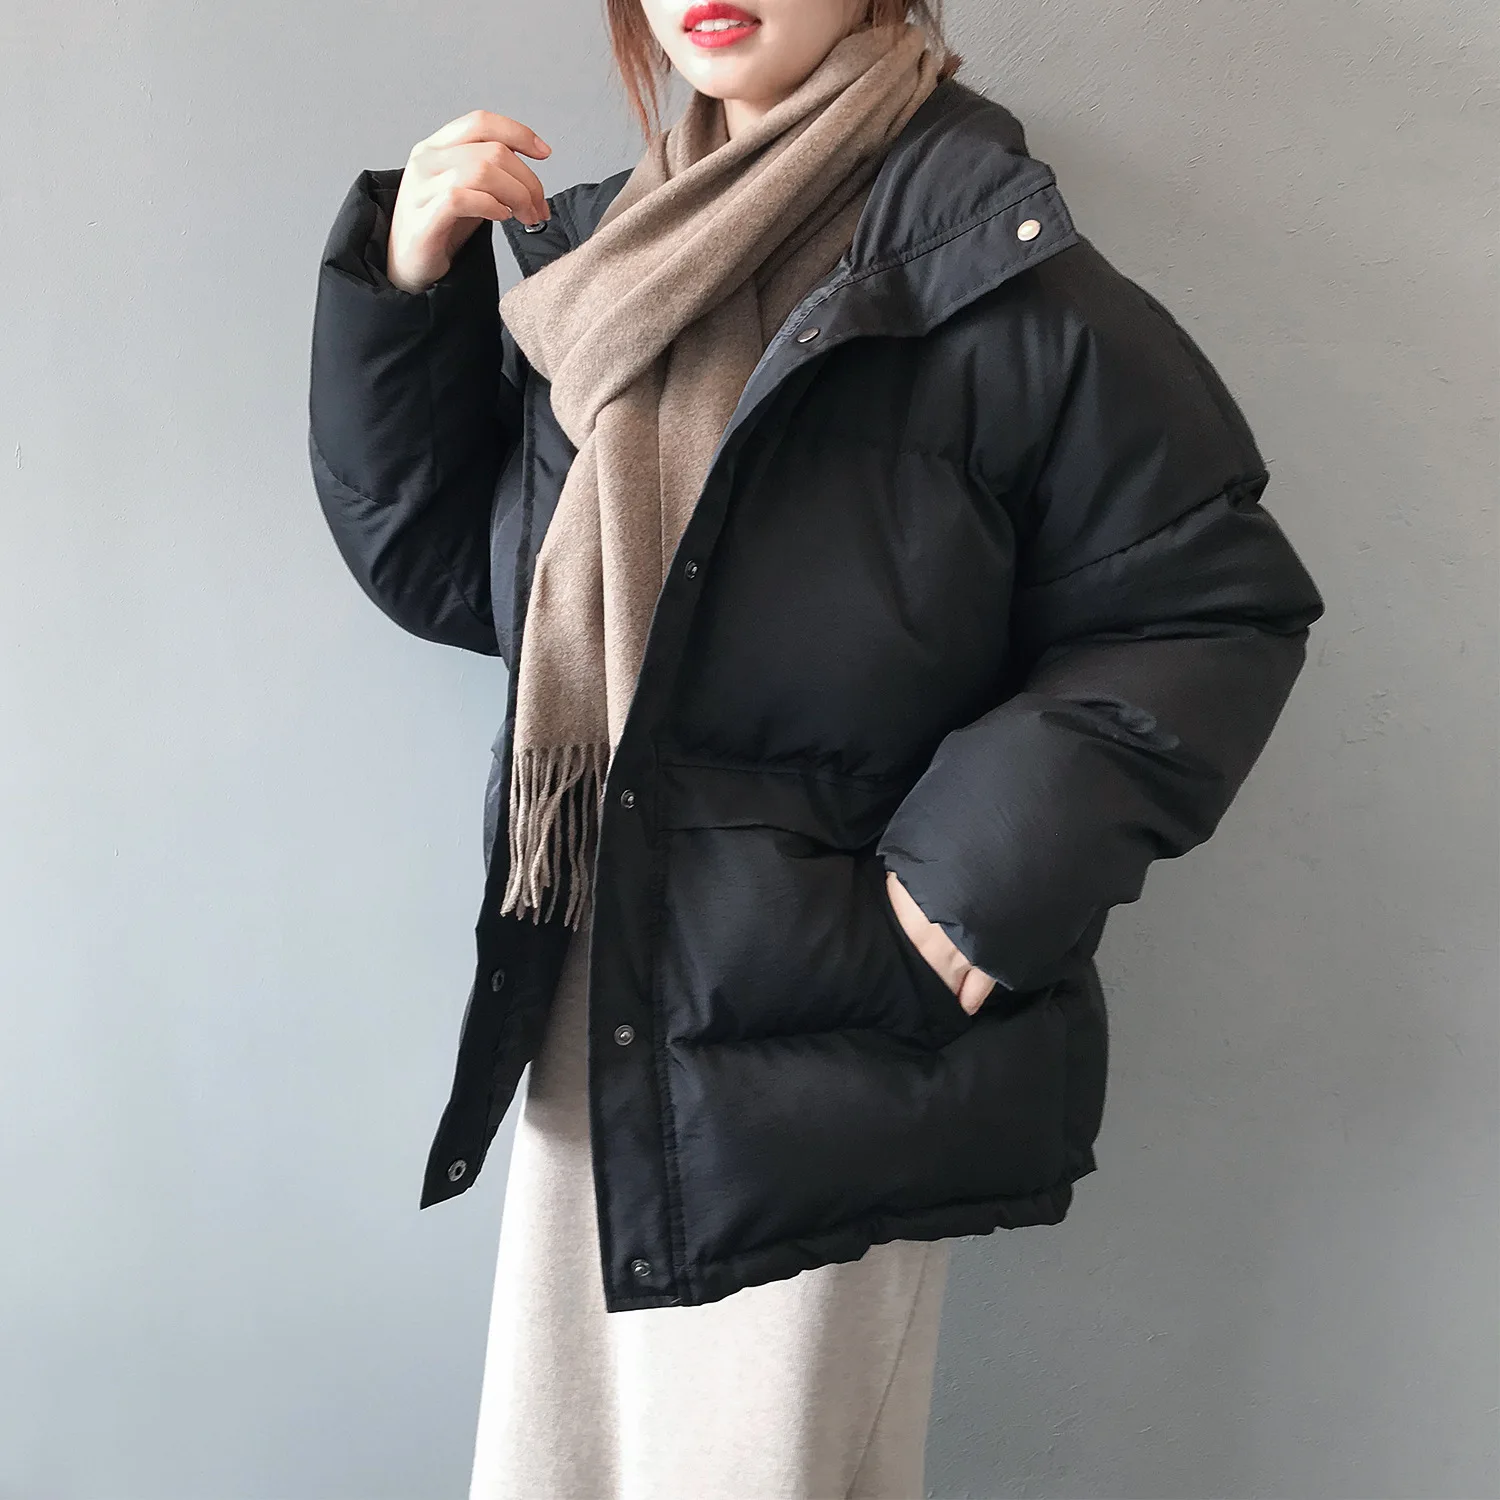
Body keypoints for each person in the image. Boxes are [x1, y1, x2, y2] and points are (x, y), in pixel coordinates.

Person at [307, 2, 1326, 1496]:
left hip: (828, 1034)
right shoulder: (608, 263)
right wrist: (410, 291)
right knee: (567, 1467)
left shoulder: (989, 269)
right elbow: (468, 577)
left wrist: (969, 886)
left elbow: (1211, 607)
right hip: (594, 988)